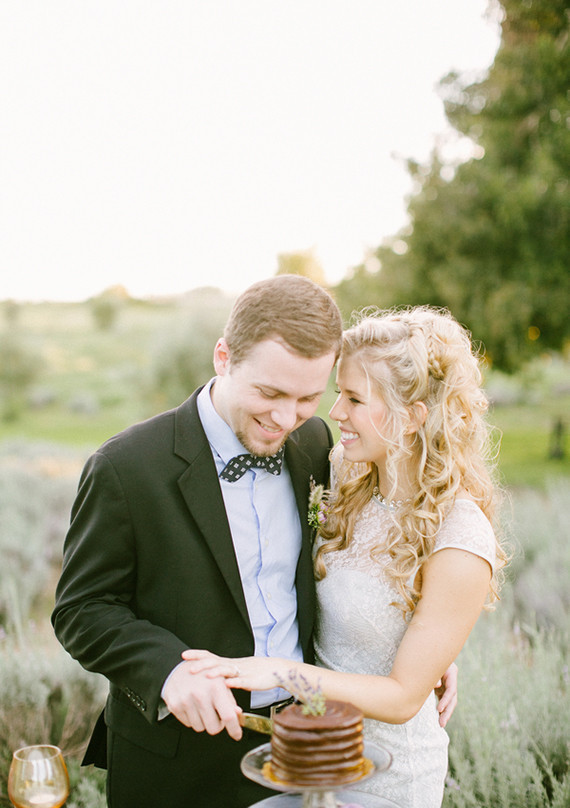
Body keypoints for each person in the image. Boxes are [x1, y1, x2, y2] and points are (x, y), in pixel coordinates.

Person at [184, 305, 509, 808]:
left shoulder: (461, 532)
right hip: (312, 753)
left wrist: (279, 672)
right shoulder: (342, 472)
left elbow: (403, 697)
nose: (334, 414)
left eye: (354, 399)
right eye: (339, 393)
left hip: (390, 775)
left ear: (412, 416)